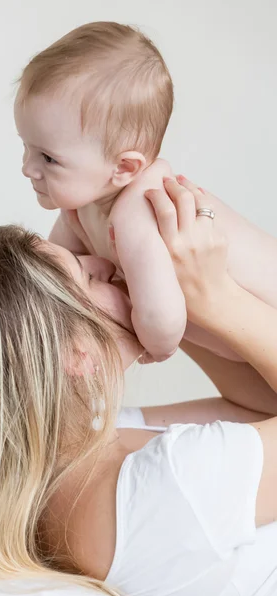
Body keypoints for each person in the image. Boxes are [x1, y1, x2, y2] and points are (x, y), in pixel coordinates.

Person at [0, 176, 277, 596]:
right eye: (88, 276)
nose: (106, 266)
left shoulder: (70, 465)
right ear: (77, 354)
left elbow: (254, 403)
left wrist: (168, 302)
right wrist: (215, 297)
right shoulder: (168, 484)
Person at [15, 21, 277, 364]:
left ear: (124, 169)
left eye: (48, 158)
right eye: (26, 147)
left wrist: (153, 344)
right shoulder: (80, 209)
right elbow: (52, 278)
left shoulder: (136, 210)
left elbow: (164, 321)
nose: (27, 168)